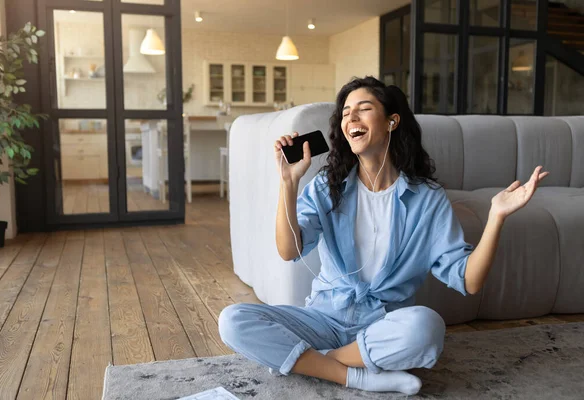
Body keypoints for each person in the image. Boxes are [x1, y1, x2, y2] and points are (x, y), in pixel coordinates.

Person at [218, 76, 549, 395]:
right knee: (233, 320)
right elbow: (289, 251)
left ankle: (318, 362)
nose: (352, 118)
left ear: (392, 121)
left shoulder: (427, 198)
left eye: (363, 108)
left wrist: (496, 217)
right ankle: (356, 376)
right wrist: (288, 182)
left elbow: (469, 281)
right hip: (322, 319)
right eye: (346, 113)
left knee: (427, 327)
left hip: (381, 324)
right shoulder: (327, 187)